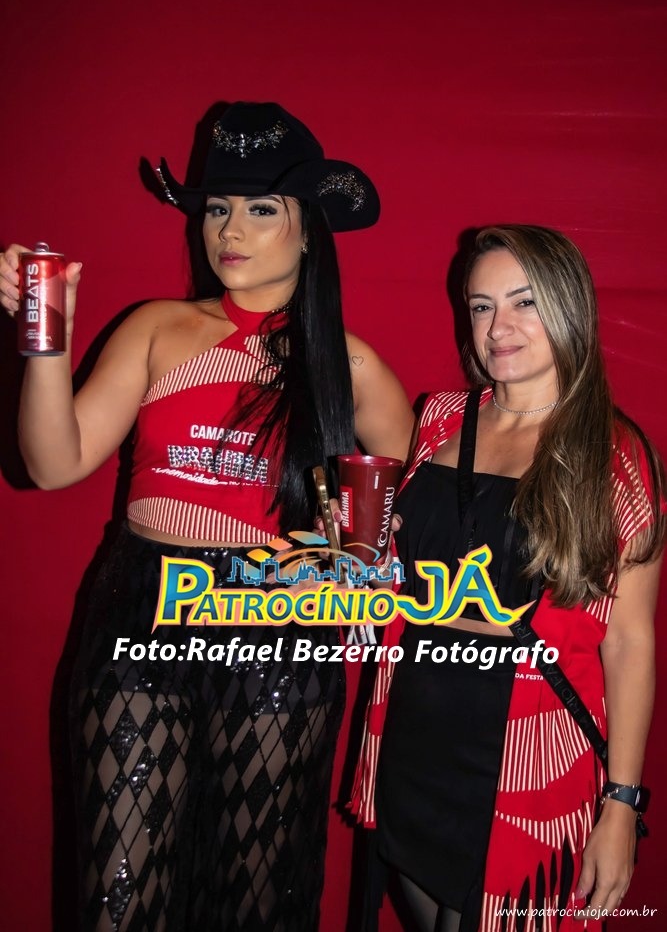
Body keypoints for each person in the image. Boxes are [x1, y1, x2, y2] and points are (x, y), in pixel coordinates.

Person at [0, 101, 414, 932]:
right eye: (217, 207)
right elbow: (52, 464)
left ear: (310, 230)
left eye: (260, 209)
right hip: (140, 613)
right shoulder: (156, 327)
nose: (229, 229)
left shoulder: (349, 364)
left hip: (274, 623)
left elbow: (414, 511)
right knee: (119, 899)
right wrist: (45, 338)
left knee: (256, 903)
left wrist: (368, 544)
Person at [350, 224, 666, 932]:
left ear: (569, 307)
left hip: (528, 753)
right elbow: (405, 566)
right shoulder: (438, 420)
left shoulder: (617, 456)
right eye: (481, 306)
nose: (498, 328)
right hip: (413, 734)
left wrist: (621, 803)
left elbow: (629, 643)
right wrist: (362, 564)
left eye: (524, 302)